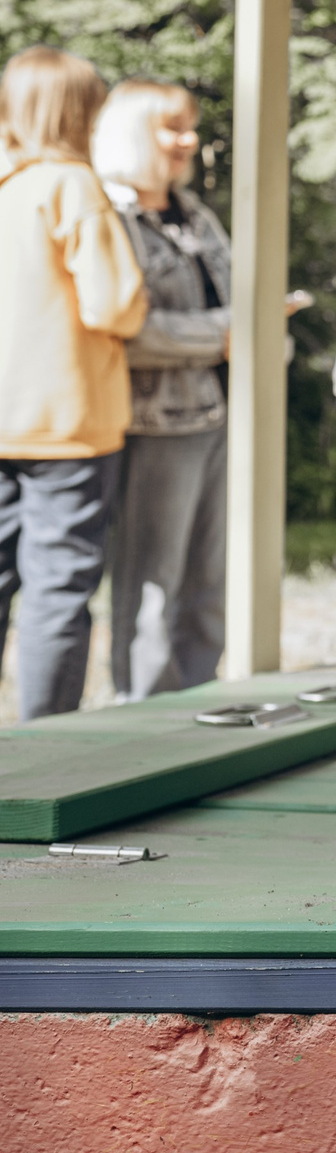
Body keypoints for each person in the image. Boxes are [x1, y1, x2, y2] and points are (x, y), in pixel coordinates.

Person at [0, 48, 147, 719]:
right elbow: (113, 305)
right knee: (58, 588)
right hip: (67, 421)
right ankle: (43, 744)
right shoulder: (73, 186)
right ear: (82, 111)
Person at [92, 81, 231, 698]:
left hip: (222, 418)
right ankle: (142, 717)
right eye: (171, 128)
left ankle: (200, 710)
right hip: (154, 425)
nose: (188, 140)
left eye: (190, 126)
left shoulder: (198, 215)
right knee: (152, 586)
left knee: (208, 584)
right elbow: (133, 331)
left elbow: (246, 312)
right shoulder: (111, 217)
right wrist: (227, 335)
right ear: (130, 133)